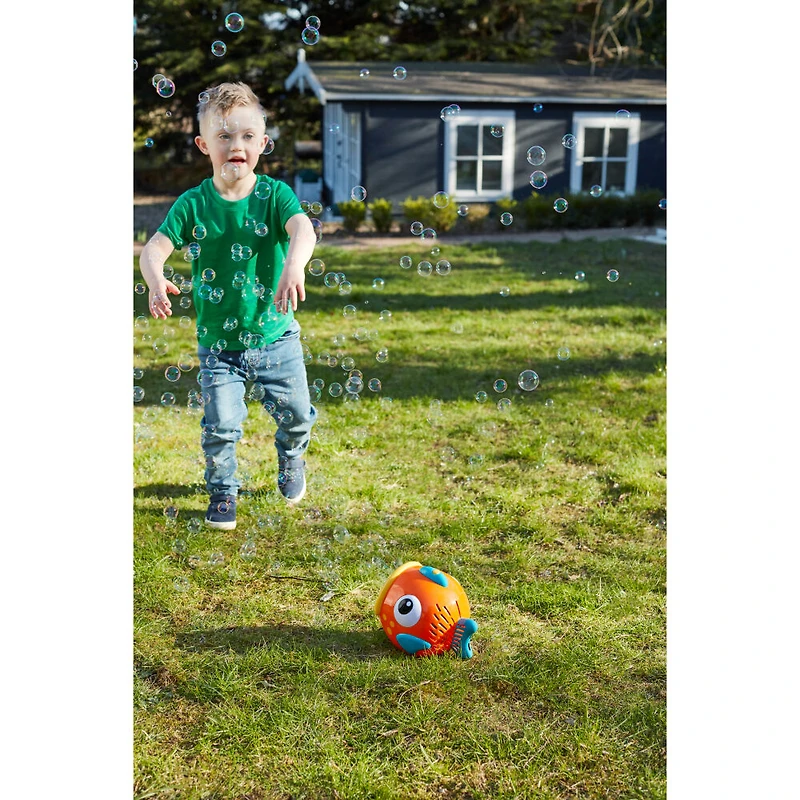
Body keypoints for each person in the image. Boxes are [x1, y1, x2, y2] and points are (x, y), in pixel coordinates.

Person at [139, 82, 318, 531]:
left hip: (277, 335)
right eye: (224, 136)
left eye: (246, 135)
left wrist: (294, 265)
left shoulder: (275, 196)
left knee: (297, 416)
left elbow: (303, 229)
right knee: (220, 426)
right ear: (204, 145)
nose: (236, 145)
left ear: (262, 143)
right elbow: (153, 248)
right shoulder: (193, 204)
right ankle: (223, 491)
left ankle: (292, 456)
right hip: (219, 345)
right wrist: (155, 277)